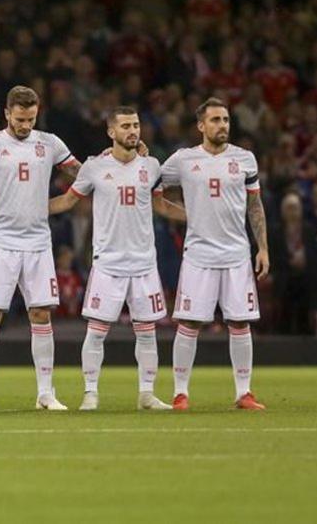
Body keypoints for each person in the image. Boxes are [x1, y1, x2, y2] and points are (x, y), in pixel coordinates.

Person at [48, 106, 185, 411]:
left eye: (136, 125)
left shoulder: (151, 166)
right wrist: (31, 210)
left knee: (147, 333)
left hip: (144, 263)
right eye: (125, 126)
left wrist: (195, 218)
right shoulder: (95, 167)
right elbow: (69, 200)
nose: (132, 131)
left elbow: (162, 206)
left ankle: (147, 394)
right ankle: (91, 393)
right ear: (111, 132)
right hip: (108, 263)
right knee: (96, 332)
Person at [0, 85, 80, 411]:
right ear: (6, 113)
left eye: (30, 119)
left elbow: (80, 174)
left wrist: (61, 203)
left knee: (41, 314)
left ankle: (46, 392)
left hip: (38, 241)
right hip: (1, 239)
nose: (25, 125)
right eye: (19, 119)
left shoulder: (50, 143)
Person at [160, 98, 270, 411]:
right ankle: (180, 393)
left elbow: (255, 205)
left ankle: (243, 393)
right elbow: (152, 185)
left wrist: (262, 247)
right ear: (201, 126)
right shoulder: (183, 160)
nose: (222, 125)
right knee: (190, 323)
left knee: (240, 323)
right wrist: (182, 214)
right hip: (199, 255)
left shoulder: (245, 159)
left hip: (237, 254)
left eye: (225, 119)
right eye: (216, 120)